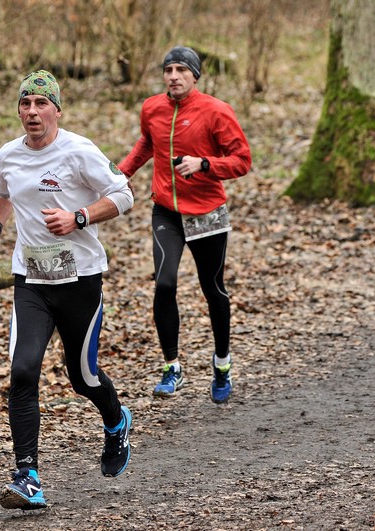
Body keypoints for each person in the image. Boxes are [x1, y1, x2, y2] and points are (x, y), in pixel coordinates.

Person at [0, 70, 134, 511]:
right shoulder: (8, 154)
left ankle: (115, 418)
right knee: (23, 371)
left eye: (40, 104)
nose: (32, 112)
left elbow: (123, 195)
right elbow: (0, 193)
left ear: (56, 110)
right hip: (30, 280)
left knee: (83, 378)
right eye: (25, 104)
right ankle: (27, 476)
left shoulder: (78, 150)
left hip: (80, 280)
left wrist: (79, 217)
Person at [118, 46, 251, 403]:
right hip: (166, 211)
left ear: (195, 75)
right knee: (164, 283)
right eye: (168, 69)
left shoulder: (216, 111)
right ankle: (172, 366)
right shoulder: (152, 108)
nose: (173, 75)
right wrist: (121, 174)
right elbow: (148, 142)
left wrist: (205, 164)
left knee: (213, 289)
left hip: (207, 211)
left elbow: (242, 160)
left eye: (181, 69)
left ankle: (222, 363)